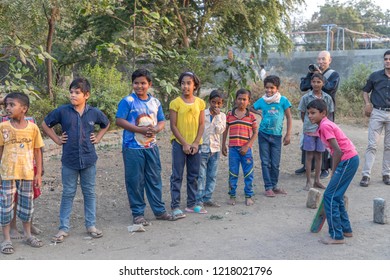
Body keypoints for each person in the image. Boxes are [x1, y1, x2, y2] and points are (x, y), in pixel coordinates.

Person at [42, 77, 110, 243]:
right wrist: (57, 140)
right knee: (68, 193)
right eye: (71, 92)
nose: (73, 95)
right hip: (69, 160)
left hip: (88, 160)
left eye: (77, 92)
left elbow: (106, 123)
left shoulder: (94, 112)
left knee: (89, 192)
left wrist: (99, 137)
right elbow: (45, 124)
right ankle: (63, 228)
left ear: (86, 95)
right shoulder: (63, 111)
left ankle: (91, 225)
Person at [115, 69, 174, 225]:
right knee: (135, 180)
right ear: (132, 84)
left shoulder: (155, 102)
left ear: (149, 84)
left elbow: (161, 120)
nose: (139, 86)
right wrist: (138, 130)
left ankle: (159, 211)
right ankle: (138, 213)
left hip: (151, 147)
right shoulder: (127, 101)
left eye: (143, 83)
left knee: (154, 178)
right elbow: (119, 120)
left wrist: (157, 128)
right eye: (136, 83)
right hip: (132, 148)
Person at [307, 99, 359, 245]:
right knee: (337, 195)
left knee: (330, 196)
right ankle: (345, 229)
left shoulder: (325, 126)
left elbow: (337, 150)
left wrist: (333, 171)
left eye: (313, 113)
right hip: (350, 159)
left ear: (323, 113)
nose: (310, 116)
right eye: (309, 113)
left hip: (347, 160)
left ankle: (337, 235)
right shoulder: (323, 125)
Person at [0, 92, 44, 254]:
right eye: (6, 105)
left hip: (27, 174)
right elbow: (0, 149)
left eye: (12, 105)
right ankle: (6, 239)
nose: (8, 108)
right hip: (7, 174)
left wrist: (38, 174)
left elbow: (37, 151)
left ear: (24, 109)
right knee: (5, 207)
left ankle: (27, 234)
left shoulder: (32, 128)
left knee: (26, 205)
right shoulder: (3, 127)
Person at [296, 50, 340, 178]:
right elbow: (303, 86)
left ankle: (324, 168)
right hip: (311, 112)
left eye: (323, 59)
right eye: (319, 59)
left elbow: (330, 88)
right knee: (308, 138)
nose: (320, 62)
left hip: (325, 112)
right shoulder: (312, 72)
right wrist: (311, 74)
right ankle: (307, 165)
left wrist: (321, 76)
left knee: (326, 139)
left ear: (329, 60)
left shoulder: (333, 74)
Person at [169, 71, 206, 219]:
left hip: (196, 145)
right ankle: (175, 205)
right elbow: (173, 125)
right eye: (183, 83)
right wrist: (184, 143)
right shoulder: (175, 103)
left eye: (189, 83)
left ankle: (191, 204)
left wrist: (196, 142)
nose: (185, 86)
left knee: (194, 175)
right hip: (179, 144)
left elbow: (202, 124)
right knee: (177, 175)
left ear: (195, 86)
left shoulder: (200, 103)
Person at [252, 75, 292, 197]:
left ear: (277, 88)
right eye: (267, 88)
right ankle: (268, 187)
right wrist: (259, 113)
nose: (269, 90)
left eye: (272, 88)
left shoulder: (283, 101)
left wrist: (288, 134)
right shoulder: (262, 101)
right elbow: (250, 108)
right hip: (263, 135)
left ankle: (274, 186)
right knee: (265, 162)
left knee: (275, 163)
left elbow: (289, 117)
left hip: (276, 137)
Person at [298, 73, 334, 191]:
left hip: (322, 131)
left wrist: (327, 128)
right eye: (314, 82)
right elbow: (303, 113)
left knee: (319, 156)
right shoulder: (306, 98)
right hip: (309, 130)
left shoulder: (327, 98)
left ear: (323, 83)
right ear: (311, 83)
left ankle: (317, 181)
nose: (316, 84)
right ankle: (308, 181)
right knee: (309, 156)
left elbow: (329, 114)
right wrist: (308, 124)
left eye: (319, 82)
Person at [359, 50, 390, 187]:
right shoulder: (375, 76)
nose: (387, 61)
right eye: (386, 59)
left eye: (389, 59)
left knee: (389, 146)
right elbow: (365, 91)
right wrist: (367, 103)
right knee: (372, 145)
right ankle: (366, 175)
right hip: (377, 112)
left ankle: (386, 174)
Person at [222, 89, 258, 206]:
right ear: (235, 100)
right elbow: (225, 130)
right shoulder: (229, 115)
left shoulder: (251, 116)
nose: (241, 101)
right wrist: (223, 145)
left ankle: (249, 195)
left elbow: (255, 132)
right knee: (233, 172)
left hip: (246, 150)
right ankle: (232, 195)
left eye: (244, 99)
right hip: (233, 149)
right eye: (239, 99)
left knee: (248, 173)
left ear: (248, 101)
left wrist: (247, 146)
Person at [196, 89, 226, 208]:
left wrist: (218, 116)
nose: (216, 105)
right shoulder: (203, 113)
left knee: (212, 175)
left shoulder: (222, 116)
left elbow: (220, 130)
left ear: (222, 104)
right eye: (214, 102)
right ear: (209, 102)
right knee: (201, 175)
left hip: (215, 149)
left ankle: (208, 197)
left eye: (219, 103)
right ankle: (199, 199)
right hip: (203, 148)